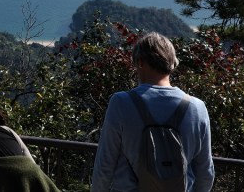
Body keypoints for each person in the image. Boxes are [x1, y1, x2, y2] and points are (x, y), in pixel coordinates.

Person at [91, 32, 214, 192]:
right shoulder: (197, 107)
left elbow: (104, 166)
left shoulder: (121, 102)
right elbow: (205, 172)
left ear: (140, 62)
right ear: (172, 63)